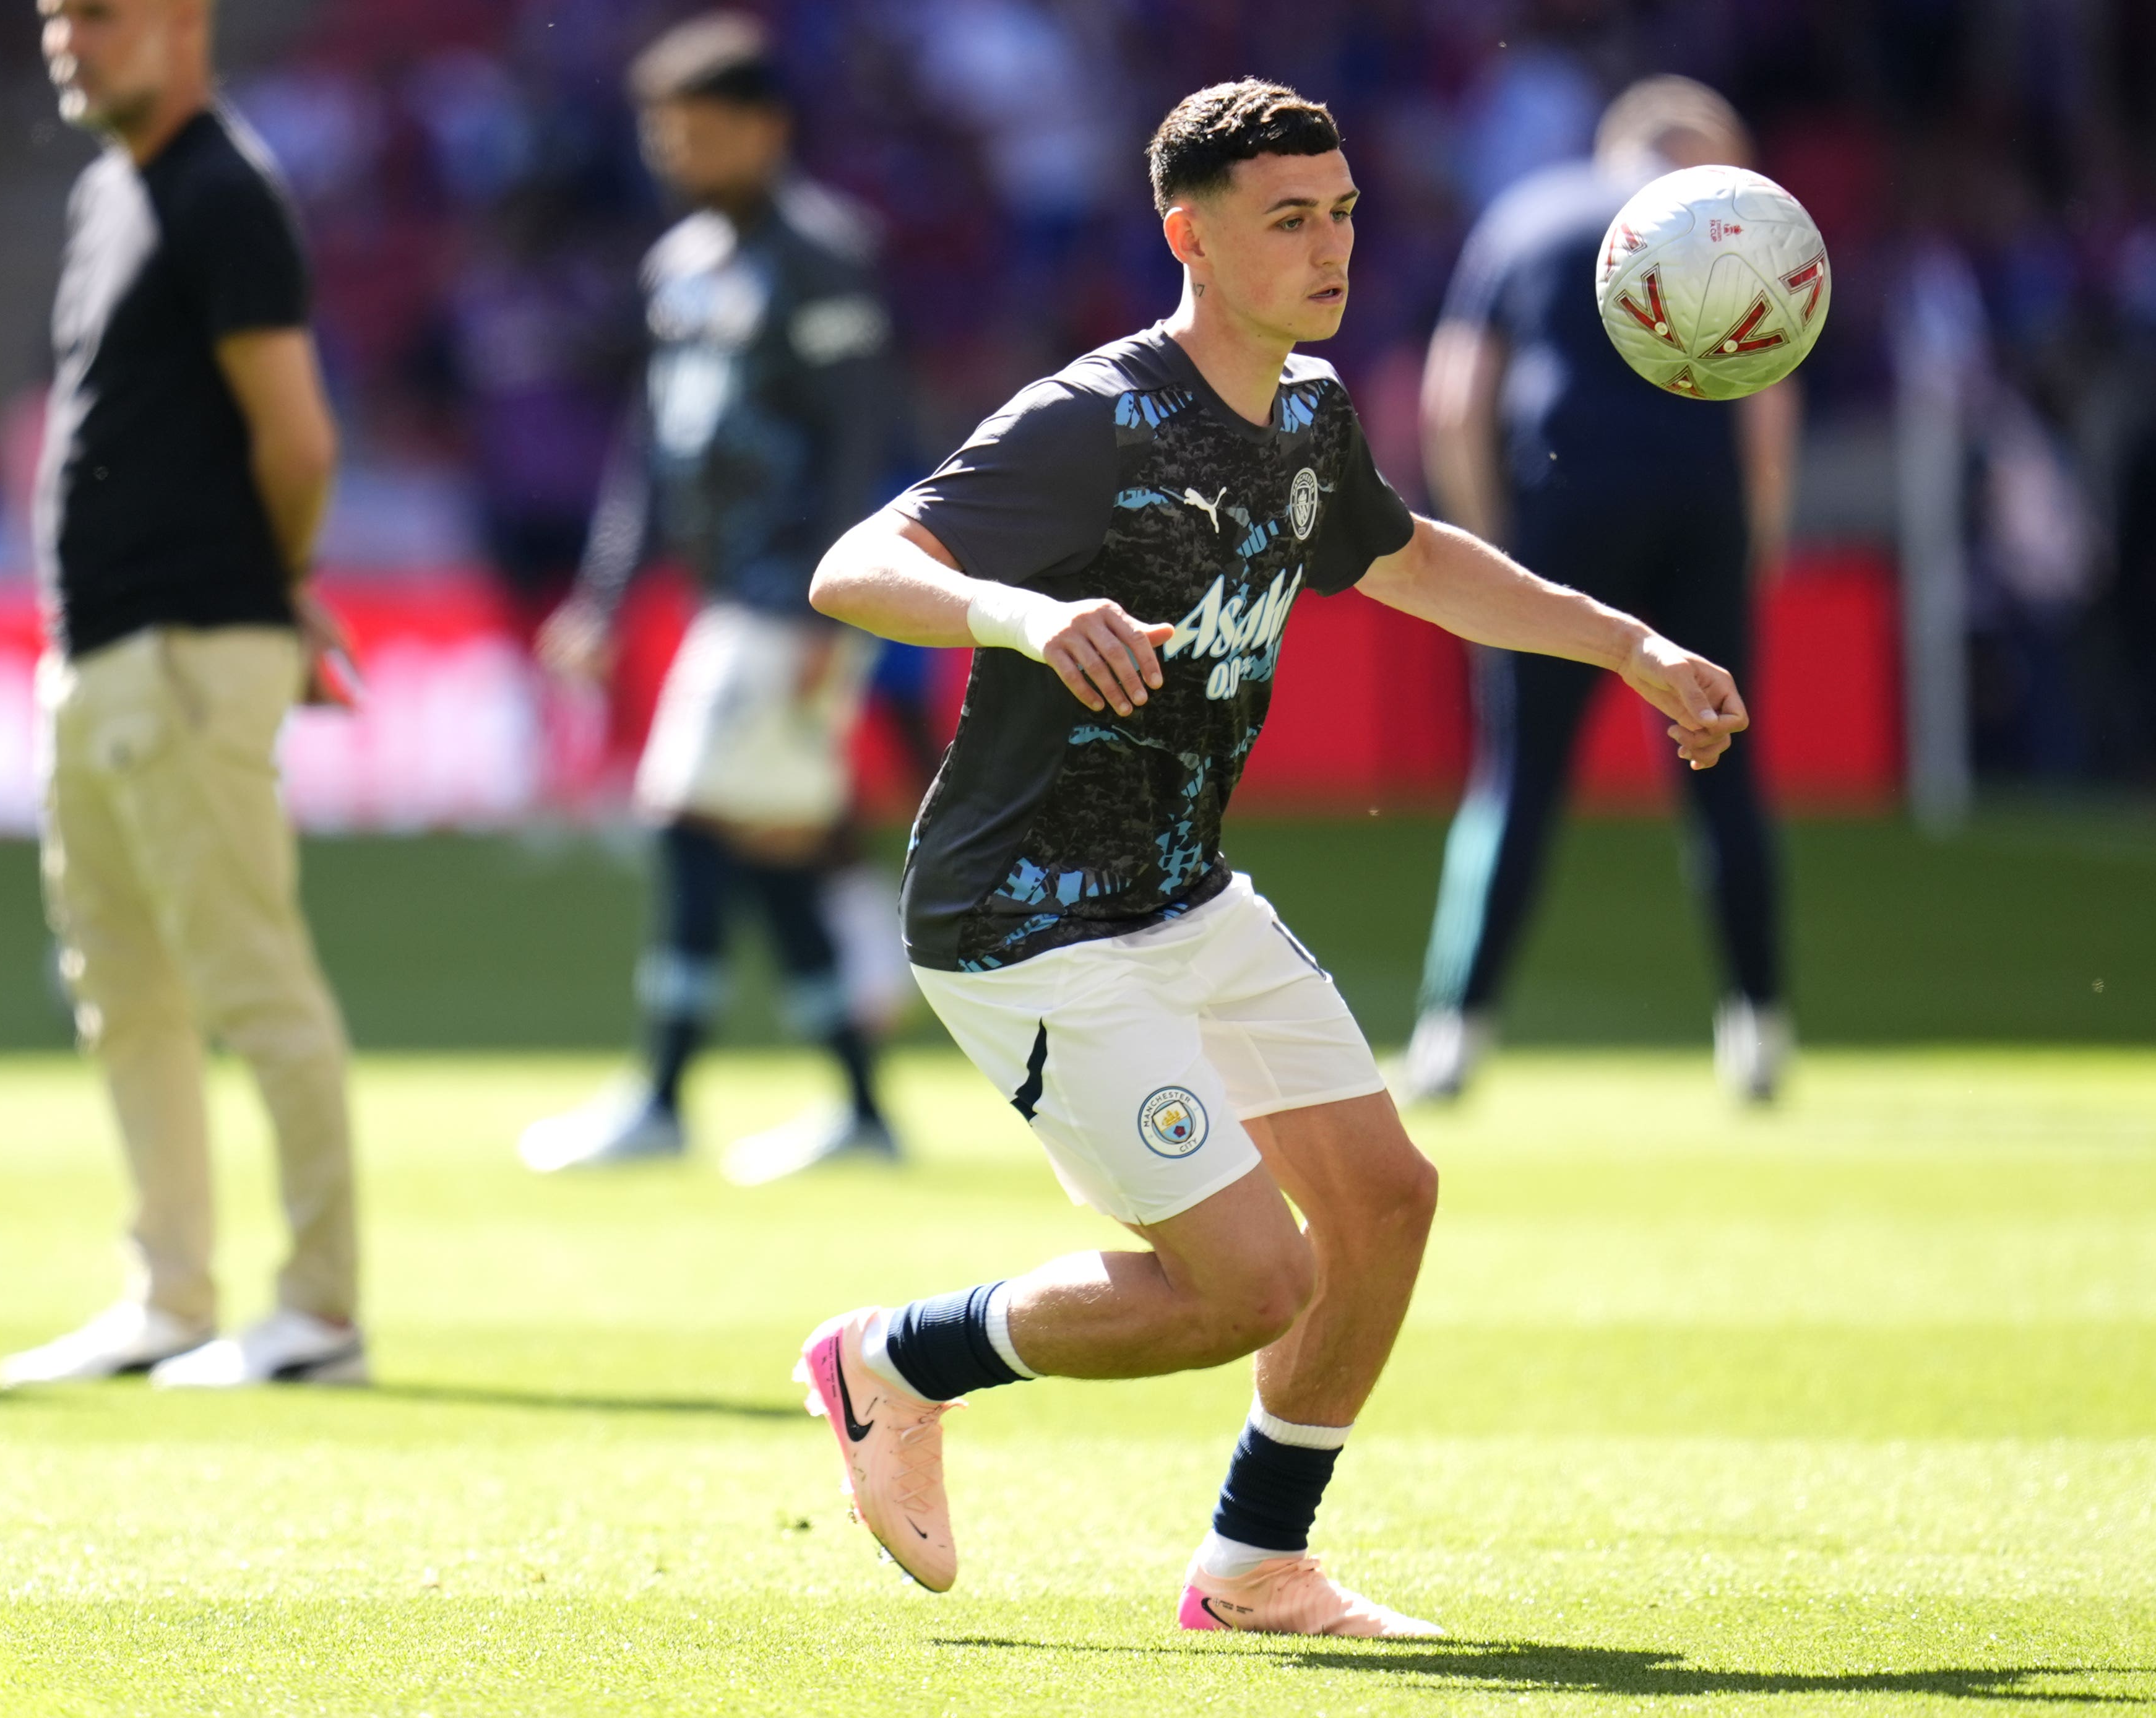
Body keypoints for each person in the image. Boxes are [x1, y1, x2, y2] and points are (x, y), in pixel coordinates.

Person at [793, 80, 1747, 1637]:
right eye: (1290, 219)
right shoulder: (1092, 417)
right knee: (1252, 1284)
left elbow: (1416, 558)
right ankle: (892, 1361)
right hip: (1028, 921)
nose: (1331, 245)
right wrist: (1026, 613)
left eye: (1346, 212)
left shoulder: (1309, 410)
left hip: (1186, 891)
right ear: (1190, 236)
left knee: (1384, 1200)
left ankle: (1253, 1565)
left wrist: (1627, 644)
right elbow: (857, 564)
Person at [0, 0, 364, 1389]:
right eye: (52, 17)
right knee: (123, 986)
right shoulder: (117, 190)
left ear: (181, 23)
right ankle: (170, 1293)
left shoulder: (221, 191)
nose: (64, 42)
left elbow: (298, 435)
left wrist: (279, 580)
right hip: (97, 650)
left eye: (96, 15)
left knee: (247, 981)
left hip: (189, 645)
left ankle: (320, 1311)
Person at [517, 13, 903, 1185]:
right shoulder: (681, 265)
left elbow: (862, 444)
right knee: (768, 841)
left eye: (702, 131)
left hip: (792, 596)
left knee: (688, 812)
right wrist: (604, 596)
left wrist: (834, 613)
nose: (679, 153)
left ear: (766, 129)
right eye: (664, 133)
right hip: (721, 595)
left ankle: (664, 1094)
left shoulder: (826, 255)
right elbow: (652, 448)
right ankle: (858, 1111)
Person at [1403, 77, 1801, 1105]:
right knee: (1723, 778)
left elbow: (1454, 400)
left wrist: (1492, 558)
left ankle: (1455, 1032)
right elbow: (1768, 407)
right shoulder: (1731, 226)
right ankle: (1757, 1030)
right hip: (1701, 512)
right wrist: (1757, 543)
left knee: (1518, 783)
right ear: (1697, 153)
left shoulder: (1529, 217)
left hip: (1561, 509)